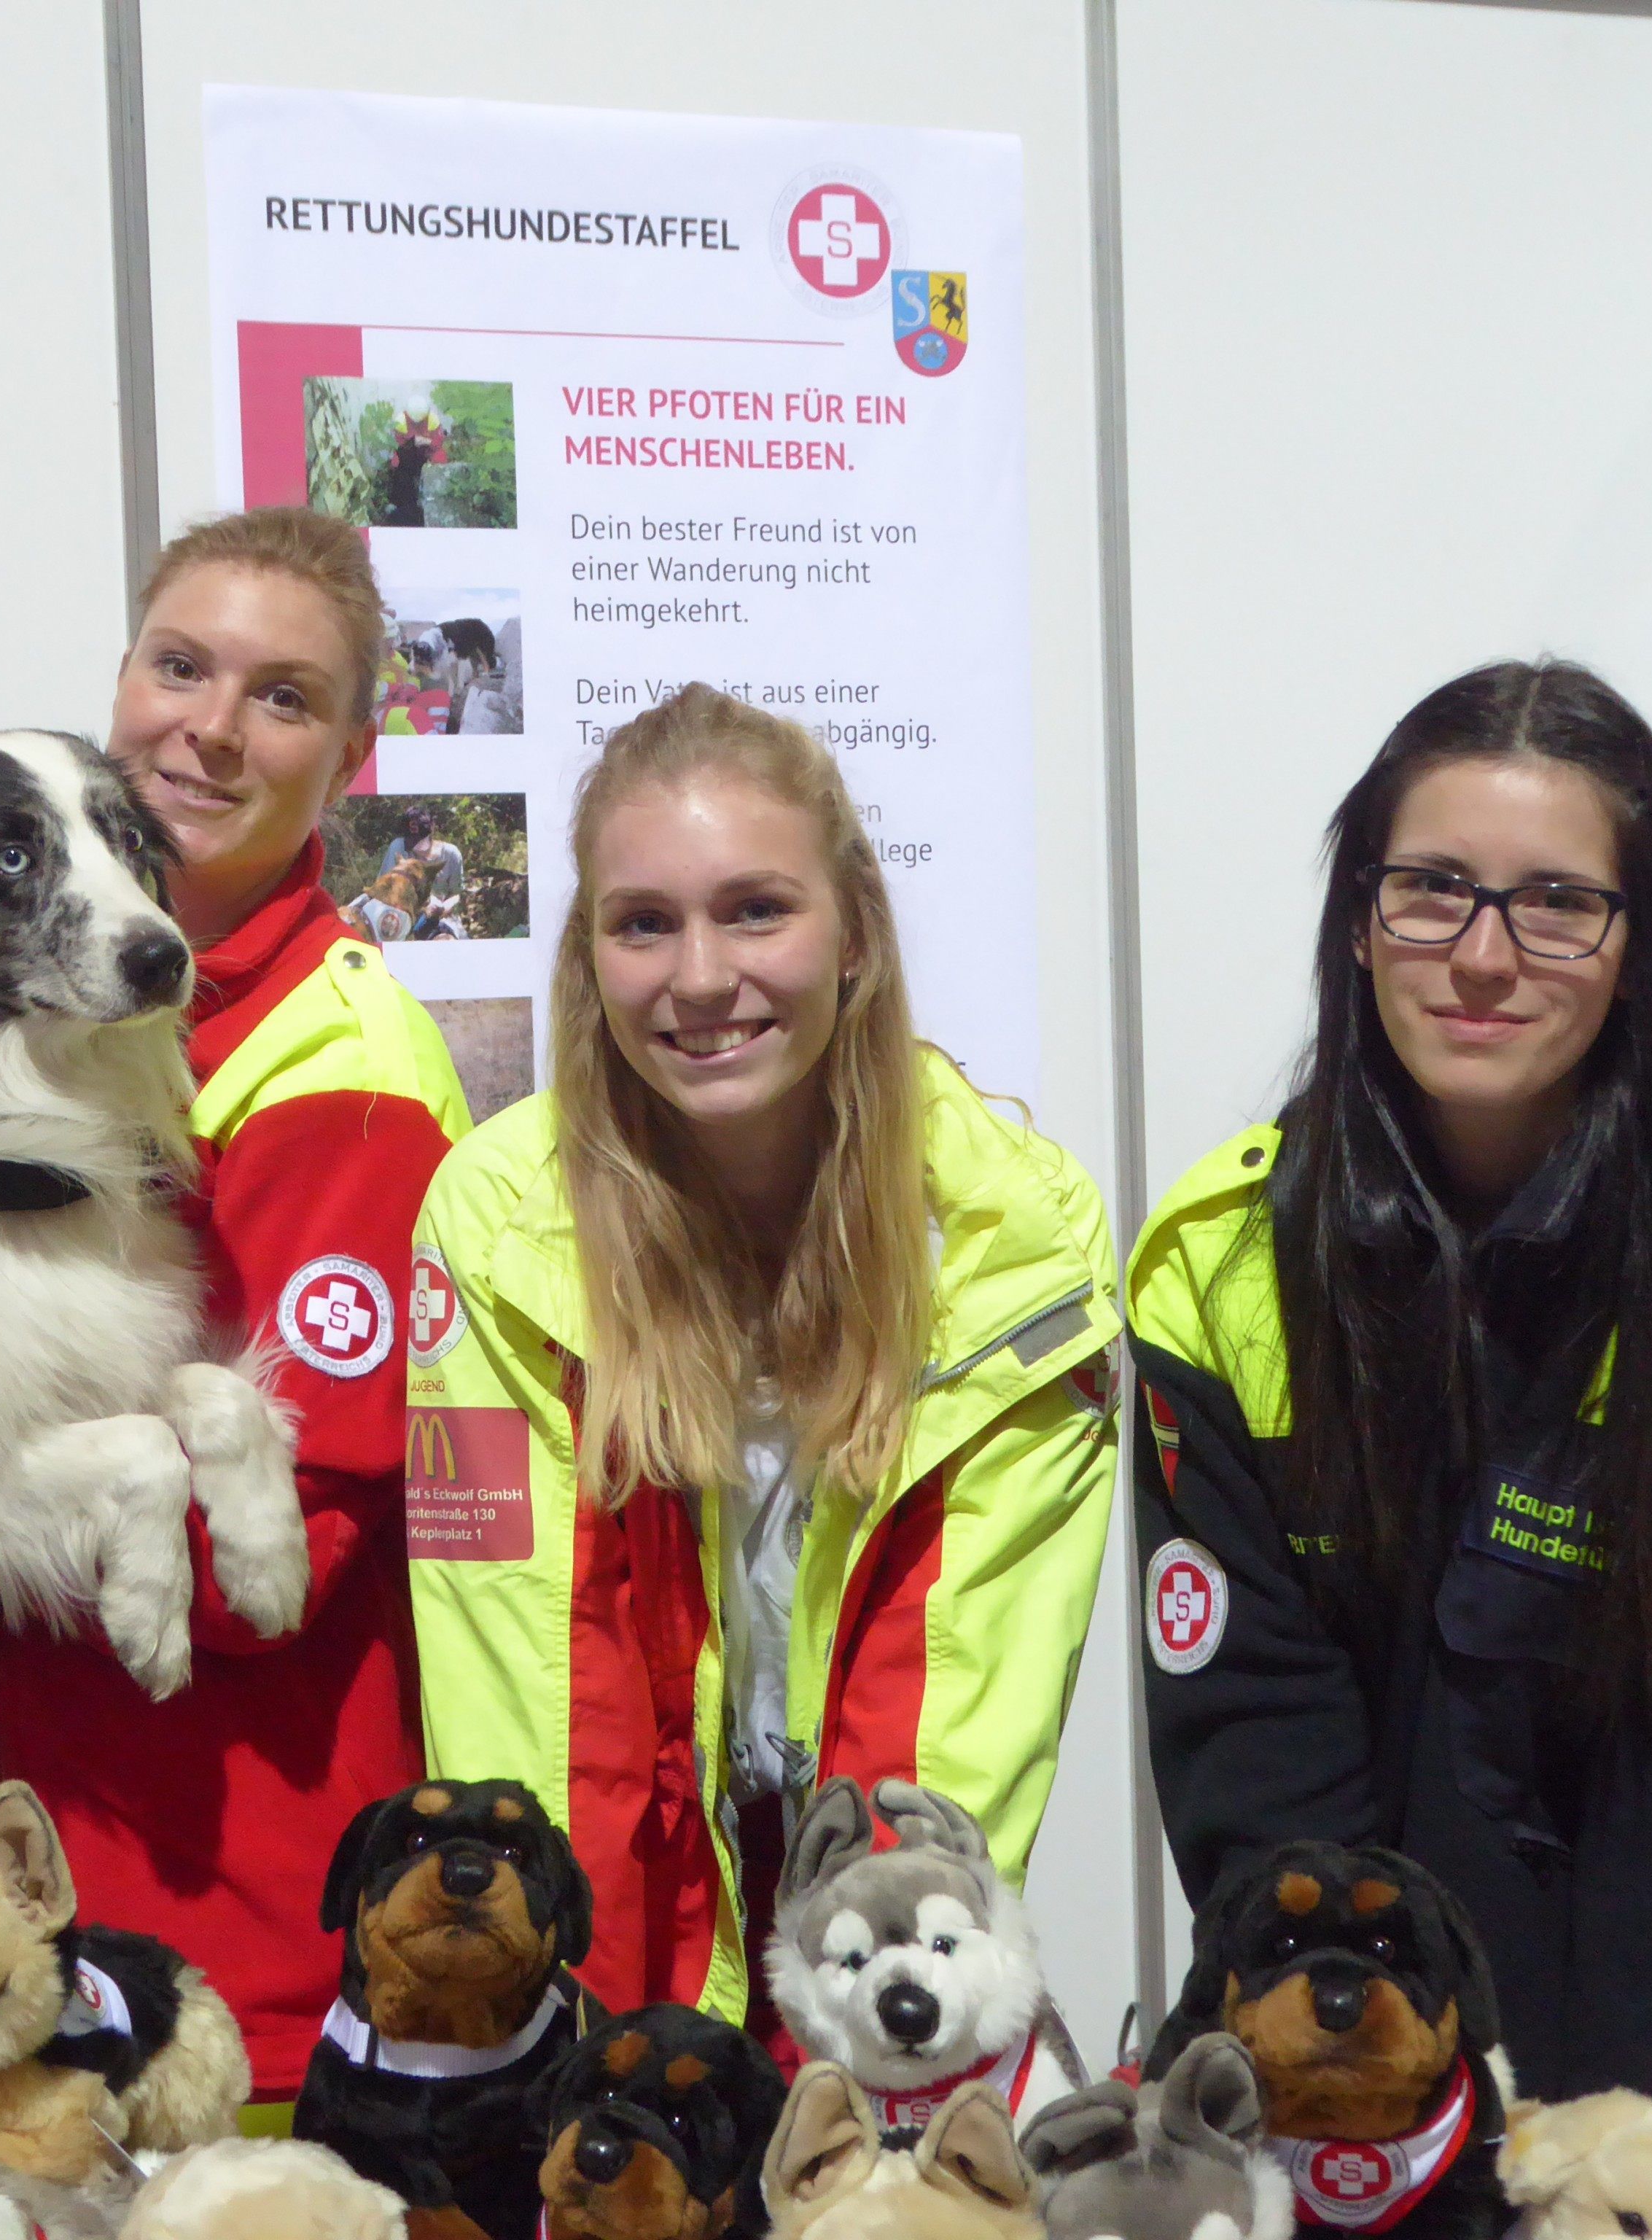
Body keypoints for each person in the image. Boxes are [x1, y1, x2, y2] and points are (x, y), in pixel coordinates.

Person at [0, 505, 470, 2115]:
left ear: (350, 757)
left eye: (281, 697)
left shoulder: (338, 1070)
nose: (206, 726)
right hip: (20, 1858)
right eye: (178, 666)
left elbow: (287, 1559)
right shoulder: (14, 1020)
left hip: (222, 1891)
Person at [1124, 660, 1652, 2171]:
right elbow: (1259, 1788)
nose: (1482, 955)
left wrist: (1597, 2166)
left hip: (1641, 2121)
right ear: (1358, 920)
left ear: (1635, 948)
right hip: (1334, 2116)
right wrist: (1395, 2140)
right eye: (1430, 889)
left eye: (1554, 901)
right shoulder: (1214, 1276)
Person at [404, 684, 1122, 2038]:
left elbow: (958, 1722)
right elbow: (528, 1692)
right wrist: (599, 2070)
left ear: (852, 927)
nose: (698, 976)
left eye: (754, 909)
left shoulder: (1015, 1247)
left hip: (887, 1956)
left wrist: (855, 2079)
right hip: (619, 1928)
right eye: (643, 923)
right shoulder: (495, 1228)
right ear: (588, 951)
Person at [379, 803, 467, 936]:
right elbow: (386, 887)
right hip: (401, 915)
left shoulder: (451, 854)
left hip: (442, 919)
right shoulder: (399, 847)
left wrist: (445, 906)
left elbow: (456, 893)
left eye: (419, 840)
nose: (414, 845)